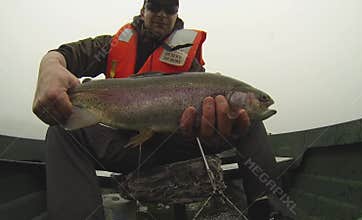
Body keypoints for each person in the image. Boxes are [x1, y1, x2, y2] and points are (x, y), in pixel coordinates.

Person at [32, 0, 284, 219]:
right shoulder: (108, 46)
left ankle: (271, 211)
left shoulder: (192, 64)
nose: (162, 13)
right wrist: (50, 65)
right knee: (62, 130)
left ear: (177, 13)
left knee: (249, 122)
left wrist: (214, 126)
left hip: (177, 145)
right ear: (143, 10)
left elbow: (208, 124)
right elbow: (66, 55)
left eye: (170, 7)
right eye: (155, 5)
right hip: (124, 146)